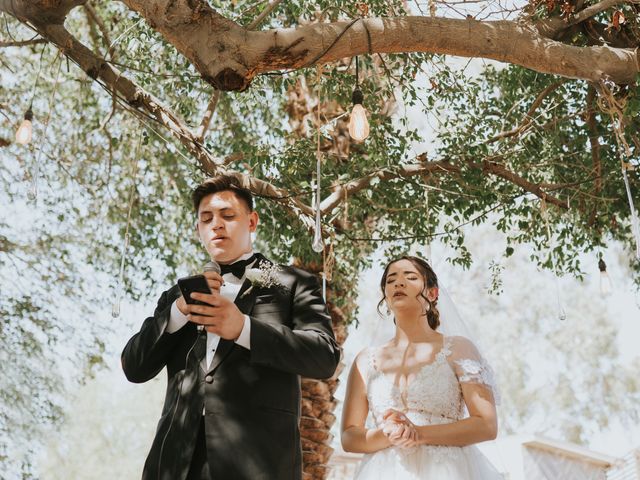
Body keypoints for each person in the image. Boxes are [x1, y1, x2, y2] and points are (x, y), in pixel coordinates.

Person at [122, 174, 341, 480]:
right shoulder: (177, 296)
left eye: (228, 215)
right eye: (206, 218)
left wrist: (243, 329)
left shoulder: (294, 284)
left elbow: (324, 356)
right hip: (175, 466)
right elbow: (134, 367)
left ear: (252, 222)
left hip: (258, 463)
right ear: (198, 228)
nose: (217, 224)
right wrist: (177, 313)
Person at [341, 255, 503, 479]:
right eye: (391, 280)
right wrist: (387, 435)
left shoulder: (459, 349)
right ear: (386, 297)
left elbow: (486, 425)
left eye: (410, 277)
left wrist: (418, 433)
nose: (399, 283)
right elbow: (349, 436)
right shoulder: (365, 361)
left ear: (432, 293)